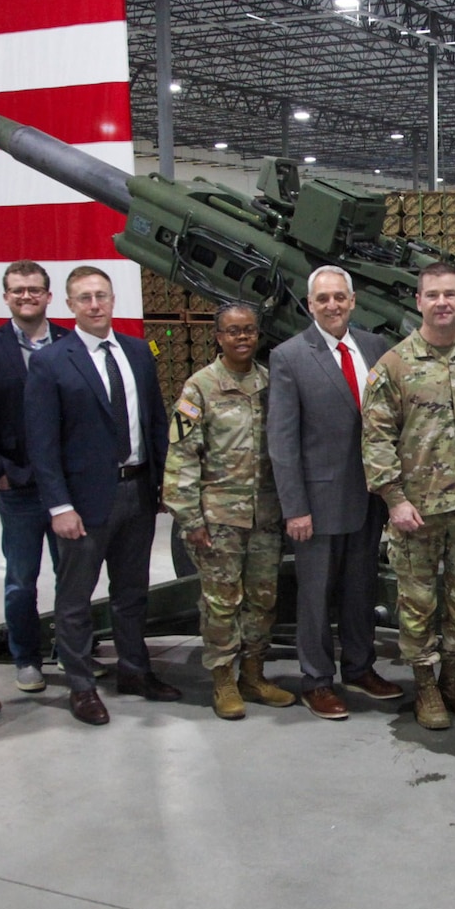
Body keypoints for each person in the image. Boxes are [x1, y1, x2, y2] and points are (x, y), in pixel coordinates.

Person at [25, 265, 179, 726]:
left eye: (102, 296)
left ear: (114, 301)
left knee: (131, 593)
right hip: (84, 503)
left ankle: (134, 670)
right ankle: (81, 685)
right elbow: (42, 443)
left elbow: (155, 423)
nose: (95, 305)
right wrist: (59, 506)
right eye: (85, 298)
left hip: (137, 492)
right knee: (74, 599)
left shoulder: (136, 353)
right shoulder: (52, 362)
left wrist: (164, 484)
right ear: (69, 305)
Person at [361, 262, 455, 730]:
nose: (442, 302)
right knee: (417, 602)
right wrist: (394, 499)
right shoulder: (394, 365)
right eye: (433, 294)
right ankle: (425, 687)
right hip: (415, 510)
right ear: (418, 301)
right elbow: (376, 437)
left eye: (450, 294)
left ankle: (454, 680)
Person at [268, 266, 403, 720]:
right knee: (315, 595)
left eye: (339, 298)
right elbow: (283, 443)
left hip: (369, 499)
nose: (332, 305)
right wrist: (295, 508)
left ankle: (361, 667)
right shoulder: (289, 357)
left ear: (353, 301)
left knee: (361, 590)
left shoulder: (374, 348)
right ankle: (317, 680)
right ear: (310, 305)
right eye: (322, 299)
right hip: (318, 504)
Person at [162, 301, 297, 720]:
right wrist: (190, 519)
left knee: (262, 600)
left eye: (250, 330)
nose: (243, 337)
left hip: (265, 517)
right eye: (233, 331)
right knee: (221, 603)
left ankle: (253, 675)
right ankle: (222, 680)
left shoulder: (273, 384)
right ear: (218, 336)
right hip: (218, 520)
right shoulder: (199, 388)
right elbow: (182, 456)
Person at [0, 260, 70, 692]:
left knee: (73, 577)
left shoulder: (70, 342)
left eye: (34, 289)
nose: (26, 296)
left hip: (66, 487)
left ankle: (72, 654)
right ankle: (27, 659)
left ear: (48, 296)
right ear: (6, 297)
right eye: (18, 290)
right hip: (19, 487)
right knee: (20, 581)